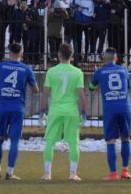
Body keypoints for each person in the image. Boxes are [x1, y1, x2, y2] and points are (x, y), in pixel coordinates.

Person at [0, 43, 38, 180]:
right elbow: (35, 90)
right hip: (17, 108)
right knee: (14, 141)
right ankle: (10, 172)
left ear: (8, 52)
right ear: (21, 53)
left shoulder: (0, 66)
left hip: (2, 107)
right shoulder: (26, 69)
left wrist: (0, 81)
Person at [40, 43, 87, 181]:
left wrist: (42, 111)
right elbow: (81, 94)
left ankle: (47, 173)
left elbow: (45, 94)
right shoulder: (78, 72)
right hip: (72, 110)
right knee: (73, 142)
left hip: (55, 110)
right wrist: (84, 112)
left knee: (49, 142)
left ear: (59, 55)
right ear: (71, 56)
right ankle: (73, 174)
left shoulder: (52, 71)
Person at [89, 48, 131, 181]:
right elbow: (128, 86)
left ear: (104, 58)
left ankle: (113, 174)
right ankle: (125, 171)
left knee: (111, 141)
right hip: (125, 108)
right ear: (116, 58)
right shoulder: (124, 70)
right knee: (126, 139)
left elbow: (91, 88)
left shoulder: (99, 71)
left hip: (110, 109)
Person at [71, 0, 94, 65]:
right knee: (78, 40)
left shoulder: (90, 2)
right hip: (78, 23)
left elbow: (90, 12)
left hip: (87, 23)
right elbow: (71, 2)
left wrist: (82, 10)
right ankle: (79, 56)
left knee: (87, 40)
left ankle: (86, 56)